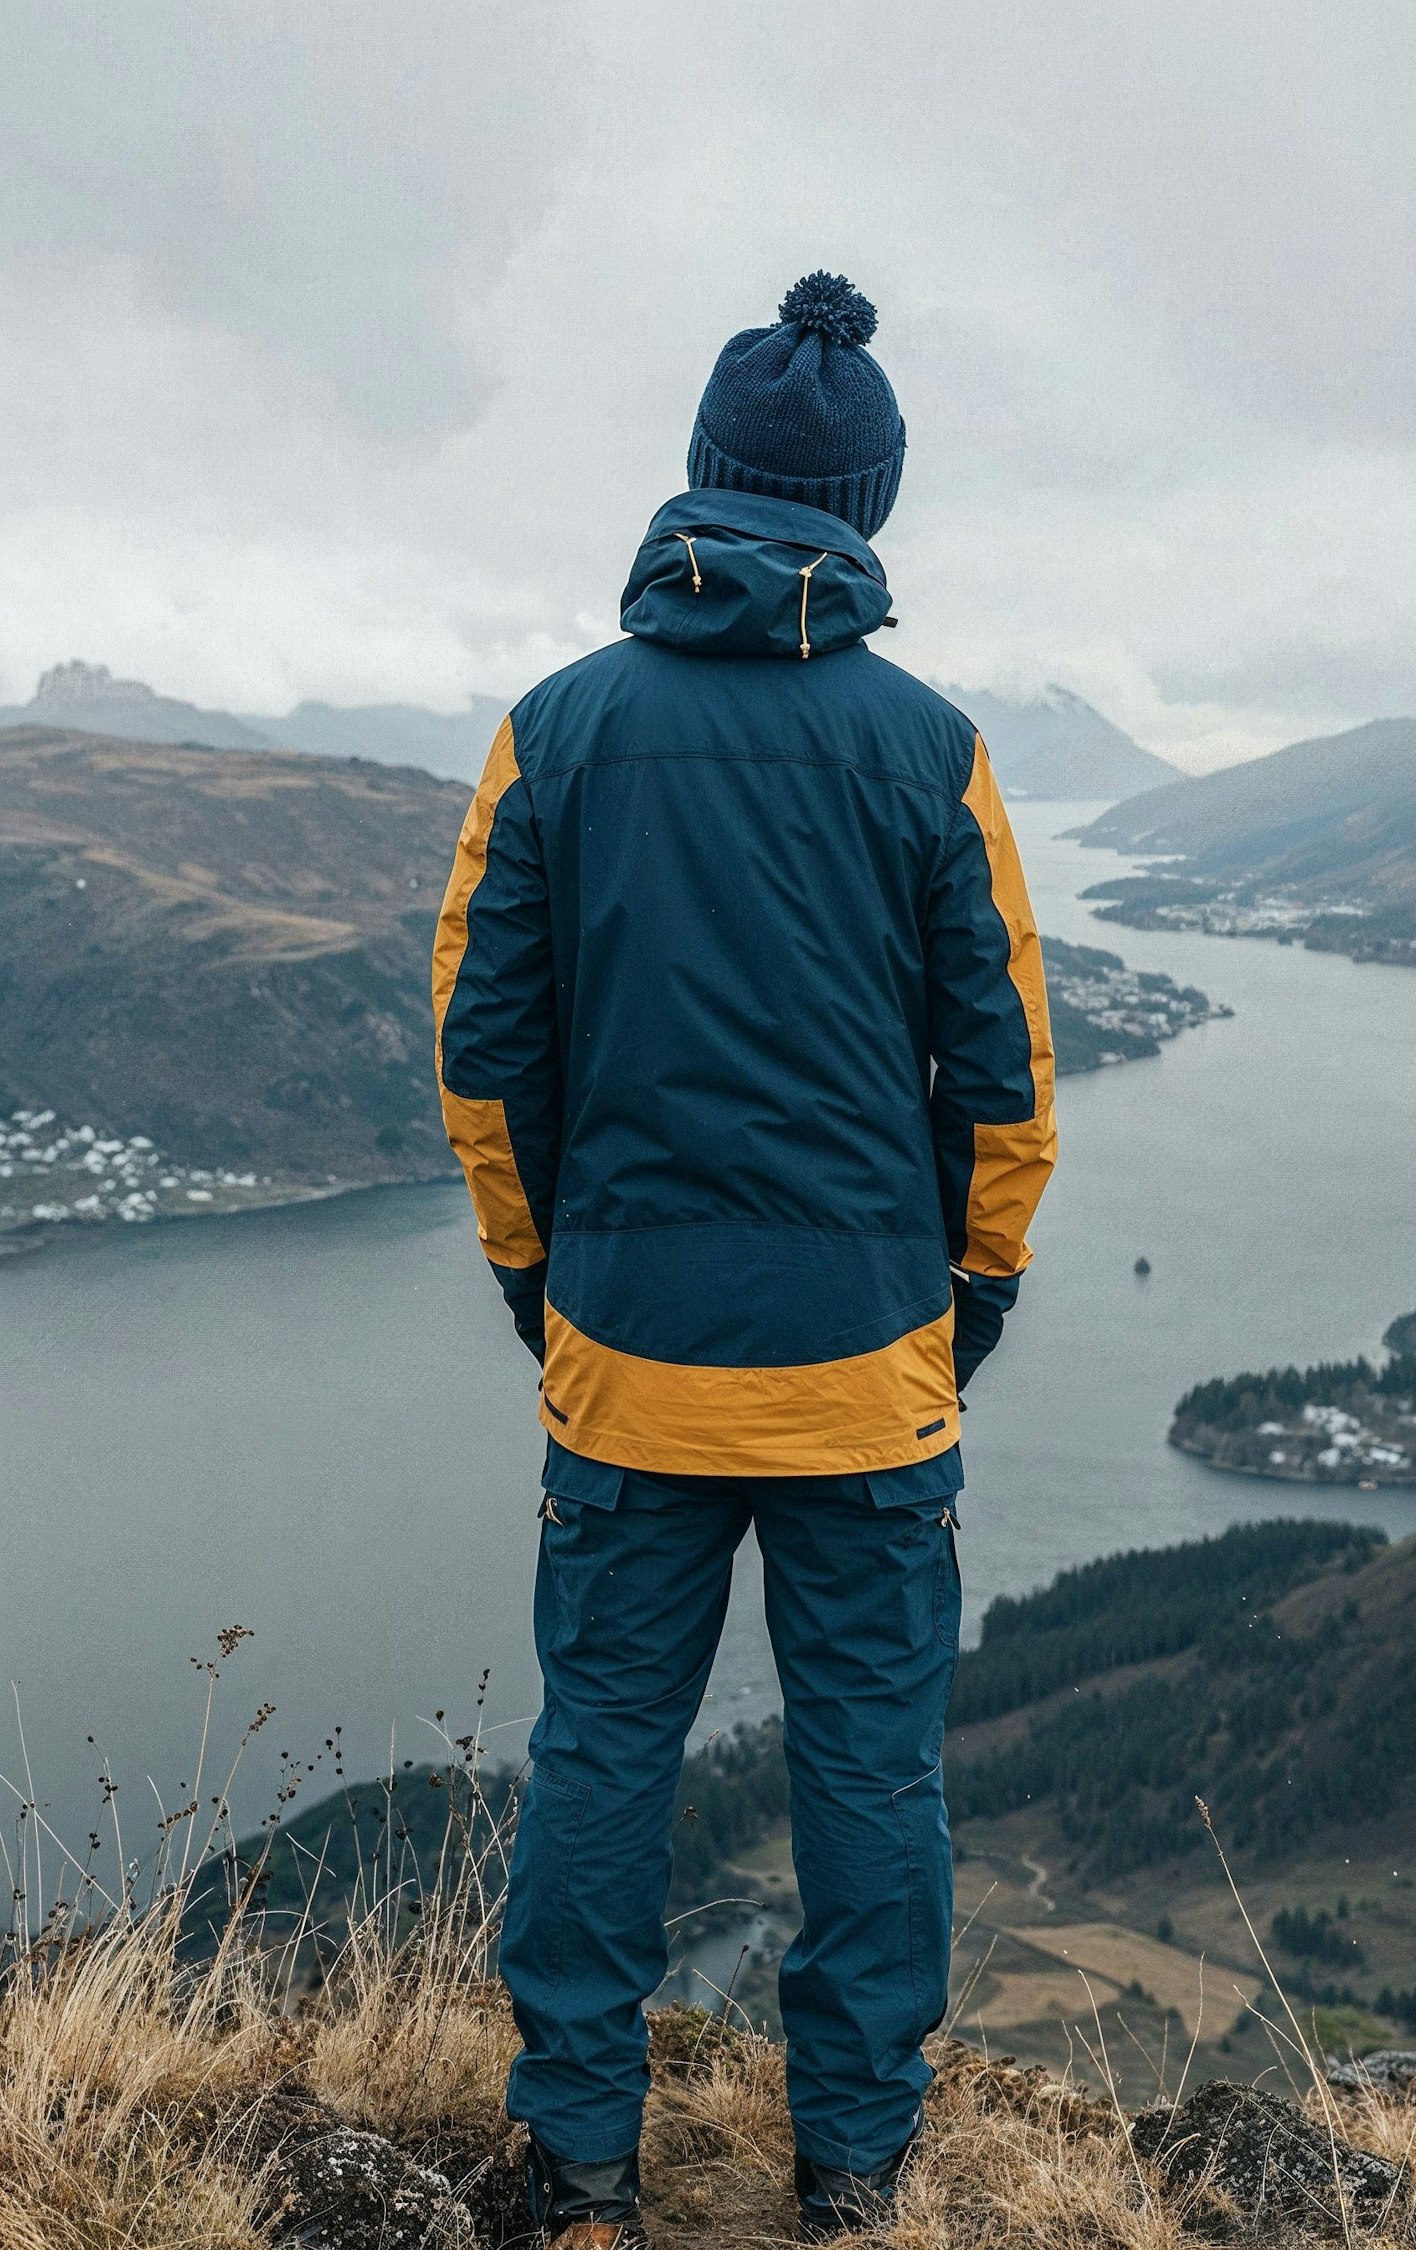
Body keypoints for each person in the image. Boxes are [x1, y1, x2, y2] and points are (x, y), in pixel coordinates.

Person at [433, 270, 1056, 2245]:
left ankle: (580, 2169)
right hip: (870, 1365)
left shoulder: (557, 733)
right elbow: (1010, 1081)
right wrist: (963, 1309)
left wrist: (553, 1292)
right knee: (874, 1775)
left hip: (627, 1356)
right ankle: (854, 2173)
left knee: (605, 1746)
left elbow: (483, 1058)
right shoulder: (931, 749)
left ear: (698, 482)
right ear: (869, 508)